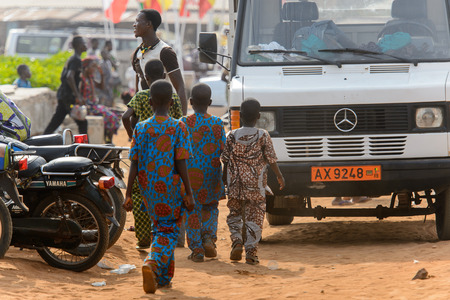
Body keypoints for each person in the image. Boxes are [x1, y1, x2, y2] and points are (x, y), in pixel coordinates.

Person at [123, 79, 195, 293]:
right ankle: (152, 262)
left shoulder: (140, 128)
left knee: (160, 229)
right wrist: (189, 192)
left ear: (151, 102)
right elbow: (181, 161)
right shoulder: (178, 127)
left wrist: (128, 193)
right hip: (171, 188)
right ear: (172, 103)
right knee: (170, 230)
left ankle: (163, 279)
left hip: (148, 189)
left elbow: (134, 162)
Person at [122, 59, 183, 250]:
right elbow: (180, 118)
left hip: (145, 156)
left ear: (145, 78)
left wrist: (132, 136)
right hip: (168, 159)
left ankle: (143, 238)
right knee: (168, 206)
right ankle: (166, 238)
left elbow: (125, 117)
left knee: (141, 200)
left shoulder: (140, 99)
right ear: (165, 75)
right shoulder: (173, 104)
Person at [221, 98, 285, 265]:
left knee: (234, 214)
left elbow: (225, 160)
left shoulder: (231, 135)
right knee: (255, 217)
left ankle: (236, 241)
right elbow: (271, 159)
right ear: (258, 116)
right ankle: (251, 252)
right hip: (256, 186)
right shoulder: (263, 135)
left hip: (235, 184)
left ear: (240, 115)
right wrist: (279, 175)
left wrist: (224, 179)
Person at [181, 83, 226, 262]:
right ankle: (208, 237)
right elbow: (223, 148)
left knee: (191, 210)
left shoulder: (183, 123)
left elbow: (179, 150)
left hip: (190, 176)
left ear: (190, 101)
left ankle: (197, 249)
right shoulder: (217, 122)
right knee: (211, 207)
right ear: (210, 102)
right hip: (212, 175)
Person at [132, 9, 188, 115]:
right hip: (145, 113)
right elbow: (138, 87)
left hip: (166, 112)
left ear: (148, 24)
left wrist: (182, 118)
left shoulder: (165, 51)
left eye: (137, 21)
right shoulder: (137, 53)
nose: (134, 25)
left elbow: (180, 86)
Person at [44, 36, 88, 135]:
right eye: (83, 43)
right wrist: (77, 96)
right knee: (82, 123)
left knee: (56, 122)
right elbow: (69, 77)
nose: (85, 45)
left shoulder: (73, 59)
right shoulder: (75, 60)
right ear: (78, 45)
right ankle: (85, 148)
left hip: (65, 96)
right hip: (68, 97)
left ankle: (40, 141)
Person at [79, 58, 120, 143]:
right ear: (86, 67)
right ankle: (108, 141)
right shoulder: (81, 79)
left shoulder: (90, 78)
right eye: (93, 66)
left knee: (117, 113)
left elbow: (101, 87)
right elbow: (78, 94)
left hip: (94, 105)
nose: (95, 69)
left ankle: (107, 139)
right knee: (111, 117)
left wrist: (102, 75)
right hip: (88, 107)